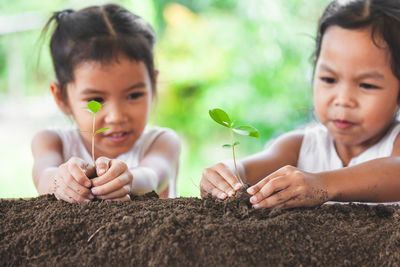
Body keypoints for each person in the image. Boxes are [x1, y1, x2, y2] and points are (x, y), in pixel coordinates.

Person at [200, 0, 400, 209]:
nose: (342, 99)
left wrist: (323, 184)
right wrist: (227, 175)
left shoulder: (395, 145)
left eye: (366, 85)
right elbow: (248, 171)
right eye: (329, 79)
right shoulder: (298, 148)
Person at [32, 4, 180, 203]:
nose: (117, 116)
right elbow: (44, 176)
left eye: (134, 95)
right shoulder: (52, 142)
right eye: (95, 100)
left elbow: (153, 176)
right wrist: (61, 180)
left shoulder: (161, 142)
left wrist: (129, 180)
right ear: (61, 97)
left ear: (153, 86)